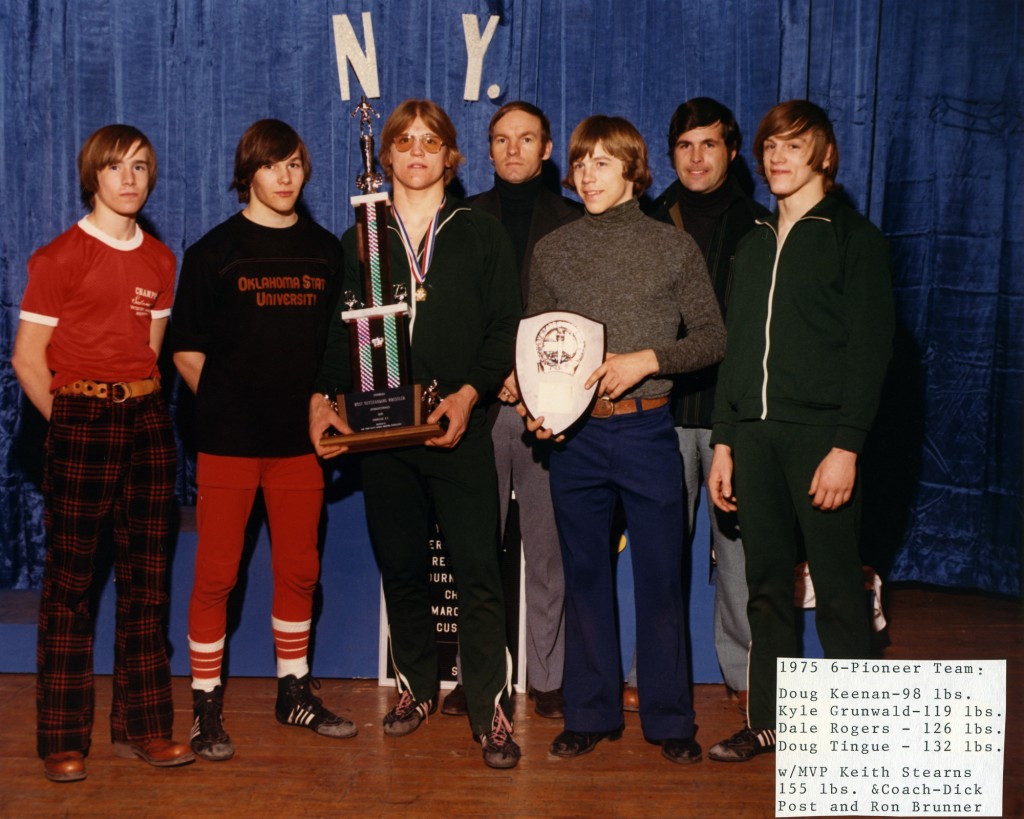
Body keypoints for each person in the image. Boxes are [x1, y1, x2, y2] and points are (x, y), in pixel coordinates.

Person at [309, 99, 523, 769]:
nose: (417, 153)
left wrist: (468, 394)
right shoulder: (361, 238)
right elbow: (337, 332)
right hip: (382, 434)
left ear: (451, 156)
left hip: (458, 425)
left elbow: (504, 328)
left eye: (431, 142)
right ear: (387, 156)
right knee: (401, 567)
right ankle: (416, 687)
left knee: (478, 572)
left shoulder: (480, 232)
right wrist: (322, 399)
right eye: (404, 142)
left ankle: (489, 708)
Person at [507, 115, 726, 765]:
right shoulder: (553, 250)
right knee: (584, 576)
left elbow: (713, 338)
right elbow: (538, 345)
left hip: (647, 428)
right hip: (574, 438)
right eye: (580, 163)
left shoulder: (672, 248)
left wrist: (647, 360)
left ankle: (670, 719)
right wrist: (536, 407)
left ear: (633, 169)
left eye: (602, 162)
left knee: (661, 578)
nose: (587, 174)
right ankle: (589, 712)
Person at [706, 100, 894, 762]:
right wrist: (724, 440)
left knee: (839, 587)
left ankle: (851, 736)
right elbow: (736, 350)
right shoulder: (754, 242)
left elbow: (871, 353)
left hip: (821, 440)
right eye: (771, 146)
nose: (779, 157)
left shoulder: (854, 239)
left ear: (825, 154)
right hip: (754, 439)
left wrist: (846, 446)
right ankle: (769, 721)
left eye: (794, 144)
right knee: (765, 587)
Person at [12, 124, 194, 782]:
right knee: (70, 587)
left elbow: (149, 354)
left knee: (147, 583)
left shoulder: (161, 261)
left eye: (140, 166)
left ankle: (144, 727)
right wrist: (71, 421)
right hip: (80, 419)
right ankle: (63, 738)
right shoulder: (58, 257)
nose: (129, 178)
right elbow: (27, 359)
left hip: (147, 420)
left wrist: (133, 406)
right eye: (116, 167)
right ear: (93, 176)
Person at [170, 119, 354, 762]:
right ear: (248, 171)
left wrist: (322, 407)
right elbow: (186, 349)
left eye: (295, 164)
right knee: (217, 574)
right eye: (273, 164)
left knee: (300, 569)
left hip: (300, 446)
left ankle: (293, 692)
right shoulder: (213, 252)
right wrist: (231, 406)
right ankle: (205, 706)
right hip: (228, 443)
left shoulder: (326, 251)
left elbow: (337, 349)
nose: (285, 176)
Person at [622, 98, 768, 715]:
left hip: (735, 415)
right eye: (685, 145)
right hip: (663, 412)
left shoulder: (761, 226)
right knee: (660, 552)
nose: (697, 157)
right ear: (671, 154)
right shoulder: (648, 220)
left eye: (709, 144)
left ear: (731, 151)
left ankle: (744, 671)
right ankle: (649, 670)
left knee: (738, 551)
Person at [439, 101, 581, 721]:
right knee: (478, 549)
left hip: (549, 410)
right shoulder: (461, 219)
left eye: (526, 139)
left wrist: (536, 385)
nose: (513, 149)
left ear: (546, 149)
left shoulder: (574, 221)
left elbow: (579, 322)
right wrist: (492, 376)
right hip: (482, 402)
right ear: (488, 149)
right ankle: (479, 679)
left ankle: (548, 678)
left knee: (547, 550)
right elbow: (452, 317)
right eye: (501, 139)